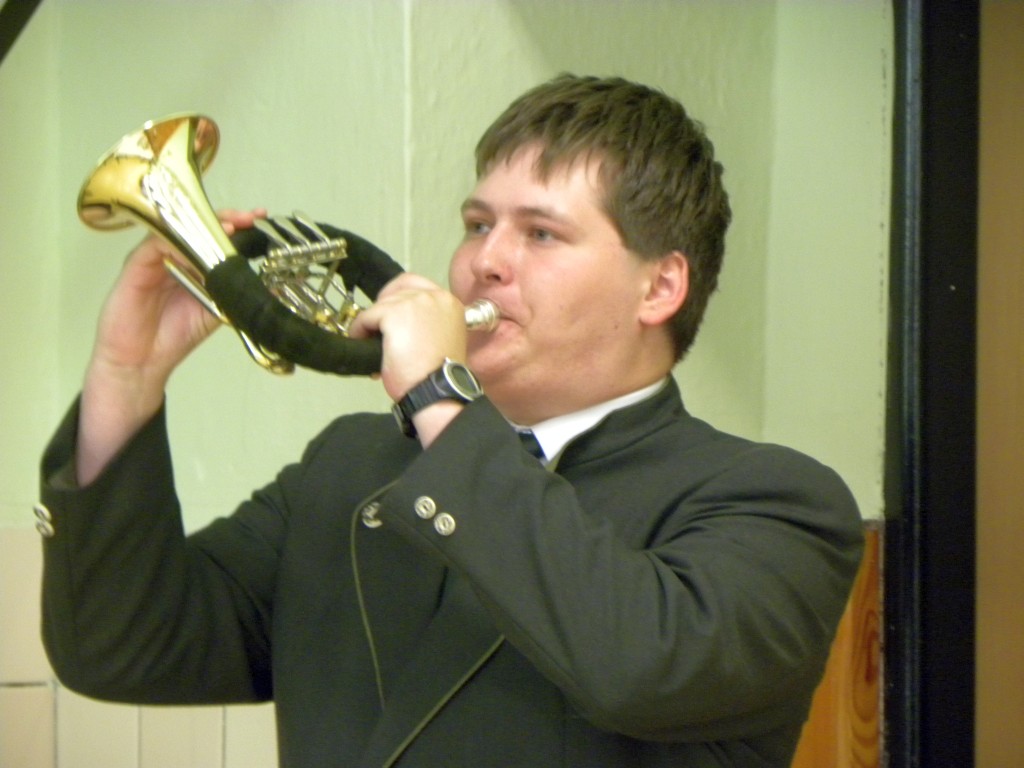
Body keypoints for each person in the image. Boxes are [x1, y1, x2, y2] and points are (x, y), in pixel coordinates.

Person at [37, 74, 863, 767]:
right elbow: (123, 647)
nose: (483, 261)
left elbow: (636, 667)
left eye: (541, 233)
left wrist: (438, 395)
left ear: (660, 287)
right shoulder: (353, 464)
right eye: (477, 225)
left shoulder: (775, 504)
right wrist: (126, 380)